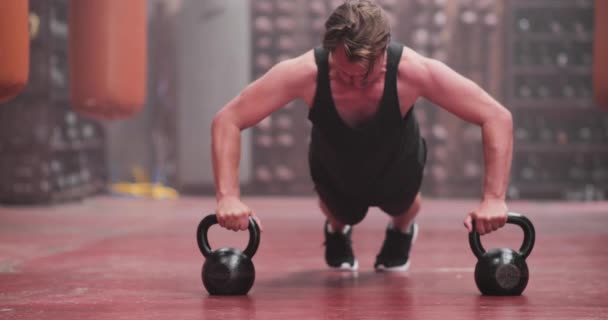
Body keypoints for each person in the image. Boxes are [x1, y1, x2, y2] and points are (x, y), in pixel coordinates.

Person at [211, 0, 512, 272]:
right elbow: (229, 119)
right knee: (341, 212)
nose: (354, 83)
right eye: (343, 74)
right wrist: (228, 197)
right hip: (335, 161)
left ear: (383, 53)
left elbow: (496, 116)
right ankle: (337, 230)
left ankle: (401, 230)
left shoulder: (414, 71)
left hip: (398, 161)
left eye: (365, 77)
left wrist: (494, 199)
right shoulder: (304, 73)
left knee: (403, 205)